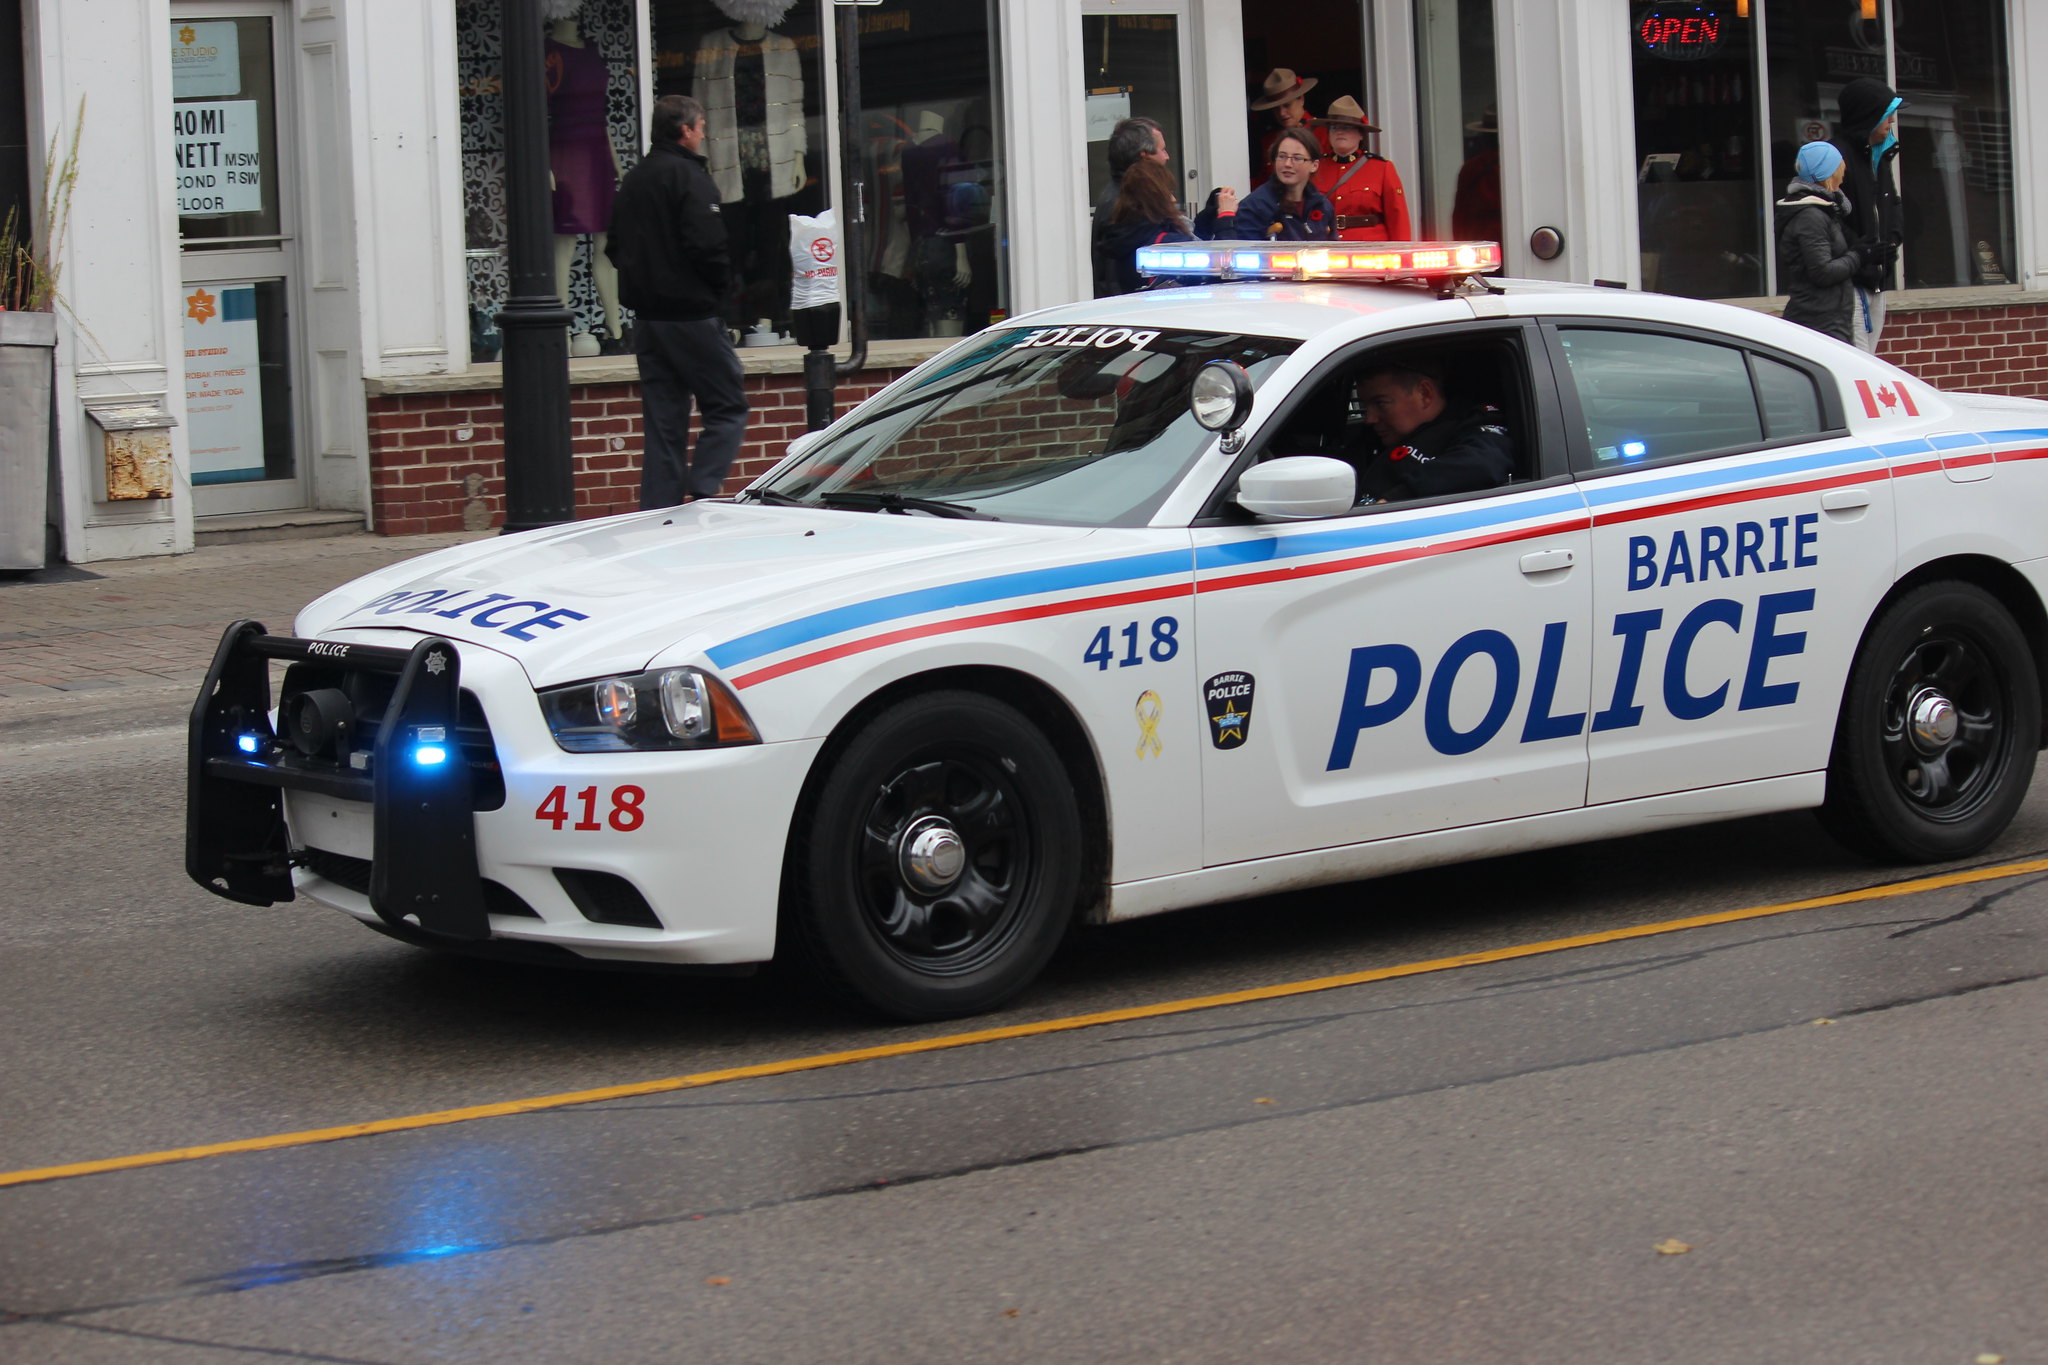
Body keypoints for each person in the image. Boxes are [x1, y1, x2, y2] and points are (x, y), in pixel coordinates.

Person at [605, 94, 749, 509]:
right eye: (701, 126)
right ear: (685, 130)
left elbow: (614, 246)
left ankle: (659, 508)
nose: (704, 134)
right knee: (727, 405)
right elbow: (709, 245)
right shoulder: (690, 178)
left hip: (649, 321)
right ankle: (703, 489)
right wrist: (719, 289)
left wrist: (643, 275)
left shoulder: (635, 179)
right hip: (692, 314)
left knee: (664, 423)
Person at [1346, 362, 1515, 504]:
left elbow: (1483, 464)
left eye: (1381, 403)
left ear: (1424, 394)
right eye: (1365, 406)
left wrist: (1398, 498)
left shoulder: (1473, 425)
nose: (1370, 418)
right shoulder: (1368, 439)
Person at [1830, 76, 1905, 352]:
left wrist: (1894, 238)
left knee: (1869, 357)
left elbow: (1892, 203)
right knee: (1858, 360)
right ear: (1868, 116)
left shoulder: (1879, 156)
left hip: (1877, 279)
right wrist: (1862, 251)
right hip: (1850, 280)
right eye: (1887, 115)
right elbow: (1827, 214)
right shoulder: (1836, 157)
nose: (1892, 122)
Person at [1103, 159, 1237, 293]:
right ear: (1156, 199)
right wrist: (1226, 217)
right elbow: (1226, 271)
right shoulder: (1165, 245)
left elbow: (1194, 254)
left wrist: (1207, 217)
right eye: (1168, 192)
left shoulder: (1128, 235)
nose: (1173, 199)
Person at [1775, 142, 1861, 343]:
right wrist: (1859, 256)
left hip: (1829, 319)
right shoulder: (1810, 216)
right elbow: (1822, 272)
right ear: (1828, 173)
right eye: (1840, 169)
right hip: (1819, 322)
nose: (1843, 175)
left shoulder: (1824, 210)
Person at [1311, 97, 1410, 242]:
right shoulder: (1315, 168)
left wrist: (1402, 255)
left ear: (1361, 134)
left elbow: (1397, 217)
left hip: (1370, 250)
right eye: (1334, 127)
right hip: (1325, 247)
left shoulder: (1382, 167)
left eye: (1346, 127)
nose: (1339, 132)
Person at [1091, 116, 1168, 296]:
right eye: (1162, 150)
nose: (1167, 157)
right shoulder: (1131, 204)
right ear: (1145, 156)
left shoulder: (1116, 195)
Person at [1218, 127, 1332, 241]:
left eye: (1297, 158)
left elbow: (1333, 250)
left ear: (1314, 165)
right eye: (1282, 156)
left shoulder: (1321, 205)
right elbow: (1243, 253)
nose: (1287, 164)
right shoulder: (1256, 205)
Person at [1249, 68, 1331, 188]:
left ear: (1301, 99)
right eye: (1276, 108)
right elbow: (1263, 183)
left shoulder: (1325, 134)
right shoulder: (1268, 141)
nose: (1282, 113)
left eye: (1287, 105)